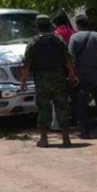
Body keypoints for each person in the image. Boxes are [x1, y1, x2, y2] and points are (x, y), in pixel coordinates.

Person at [21, 15, 78, 147]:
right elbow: (68, 58)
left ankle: (44, 139)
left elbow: (27, 64)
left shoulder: (33, 42)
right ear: (49, 25)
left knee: (43, 108)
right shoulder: (58, 39)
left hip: (41, 79)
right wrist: (71, 74)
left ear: (37, 26)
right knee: (62, 107)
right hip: (59, 77)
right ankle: (66, 138)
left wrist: (23, 81)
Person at [69, 15, 97, 139]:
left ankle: (84, 131)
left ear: (77, 25)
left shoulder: (74, 38)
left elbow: (71, 59)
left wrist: (72, 74)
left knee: (81, 104)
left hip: (82, 77)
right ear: (88, 23)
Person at [53, 9, 78, 125]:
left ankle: (63, 120)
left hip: (61, 68)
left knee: (62, 94)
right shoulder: (73, 32)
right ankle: (75, 118)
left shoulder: (56, 33)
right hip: (74, 66)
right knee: (75, 94)